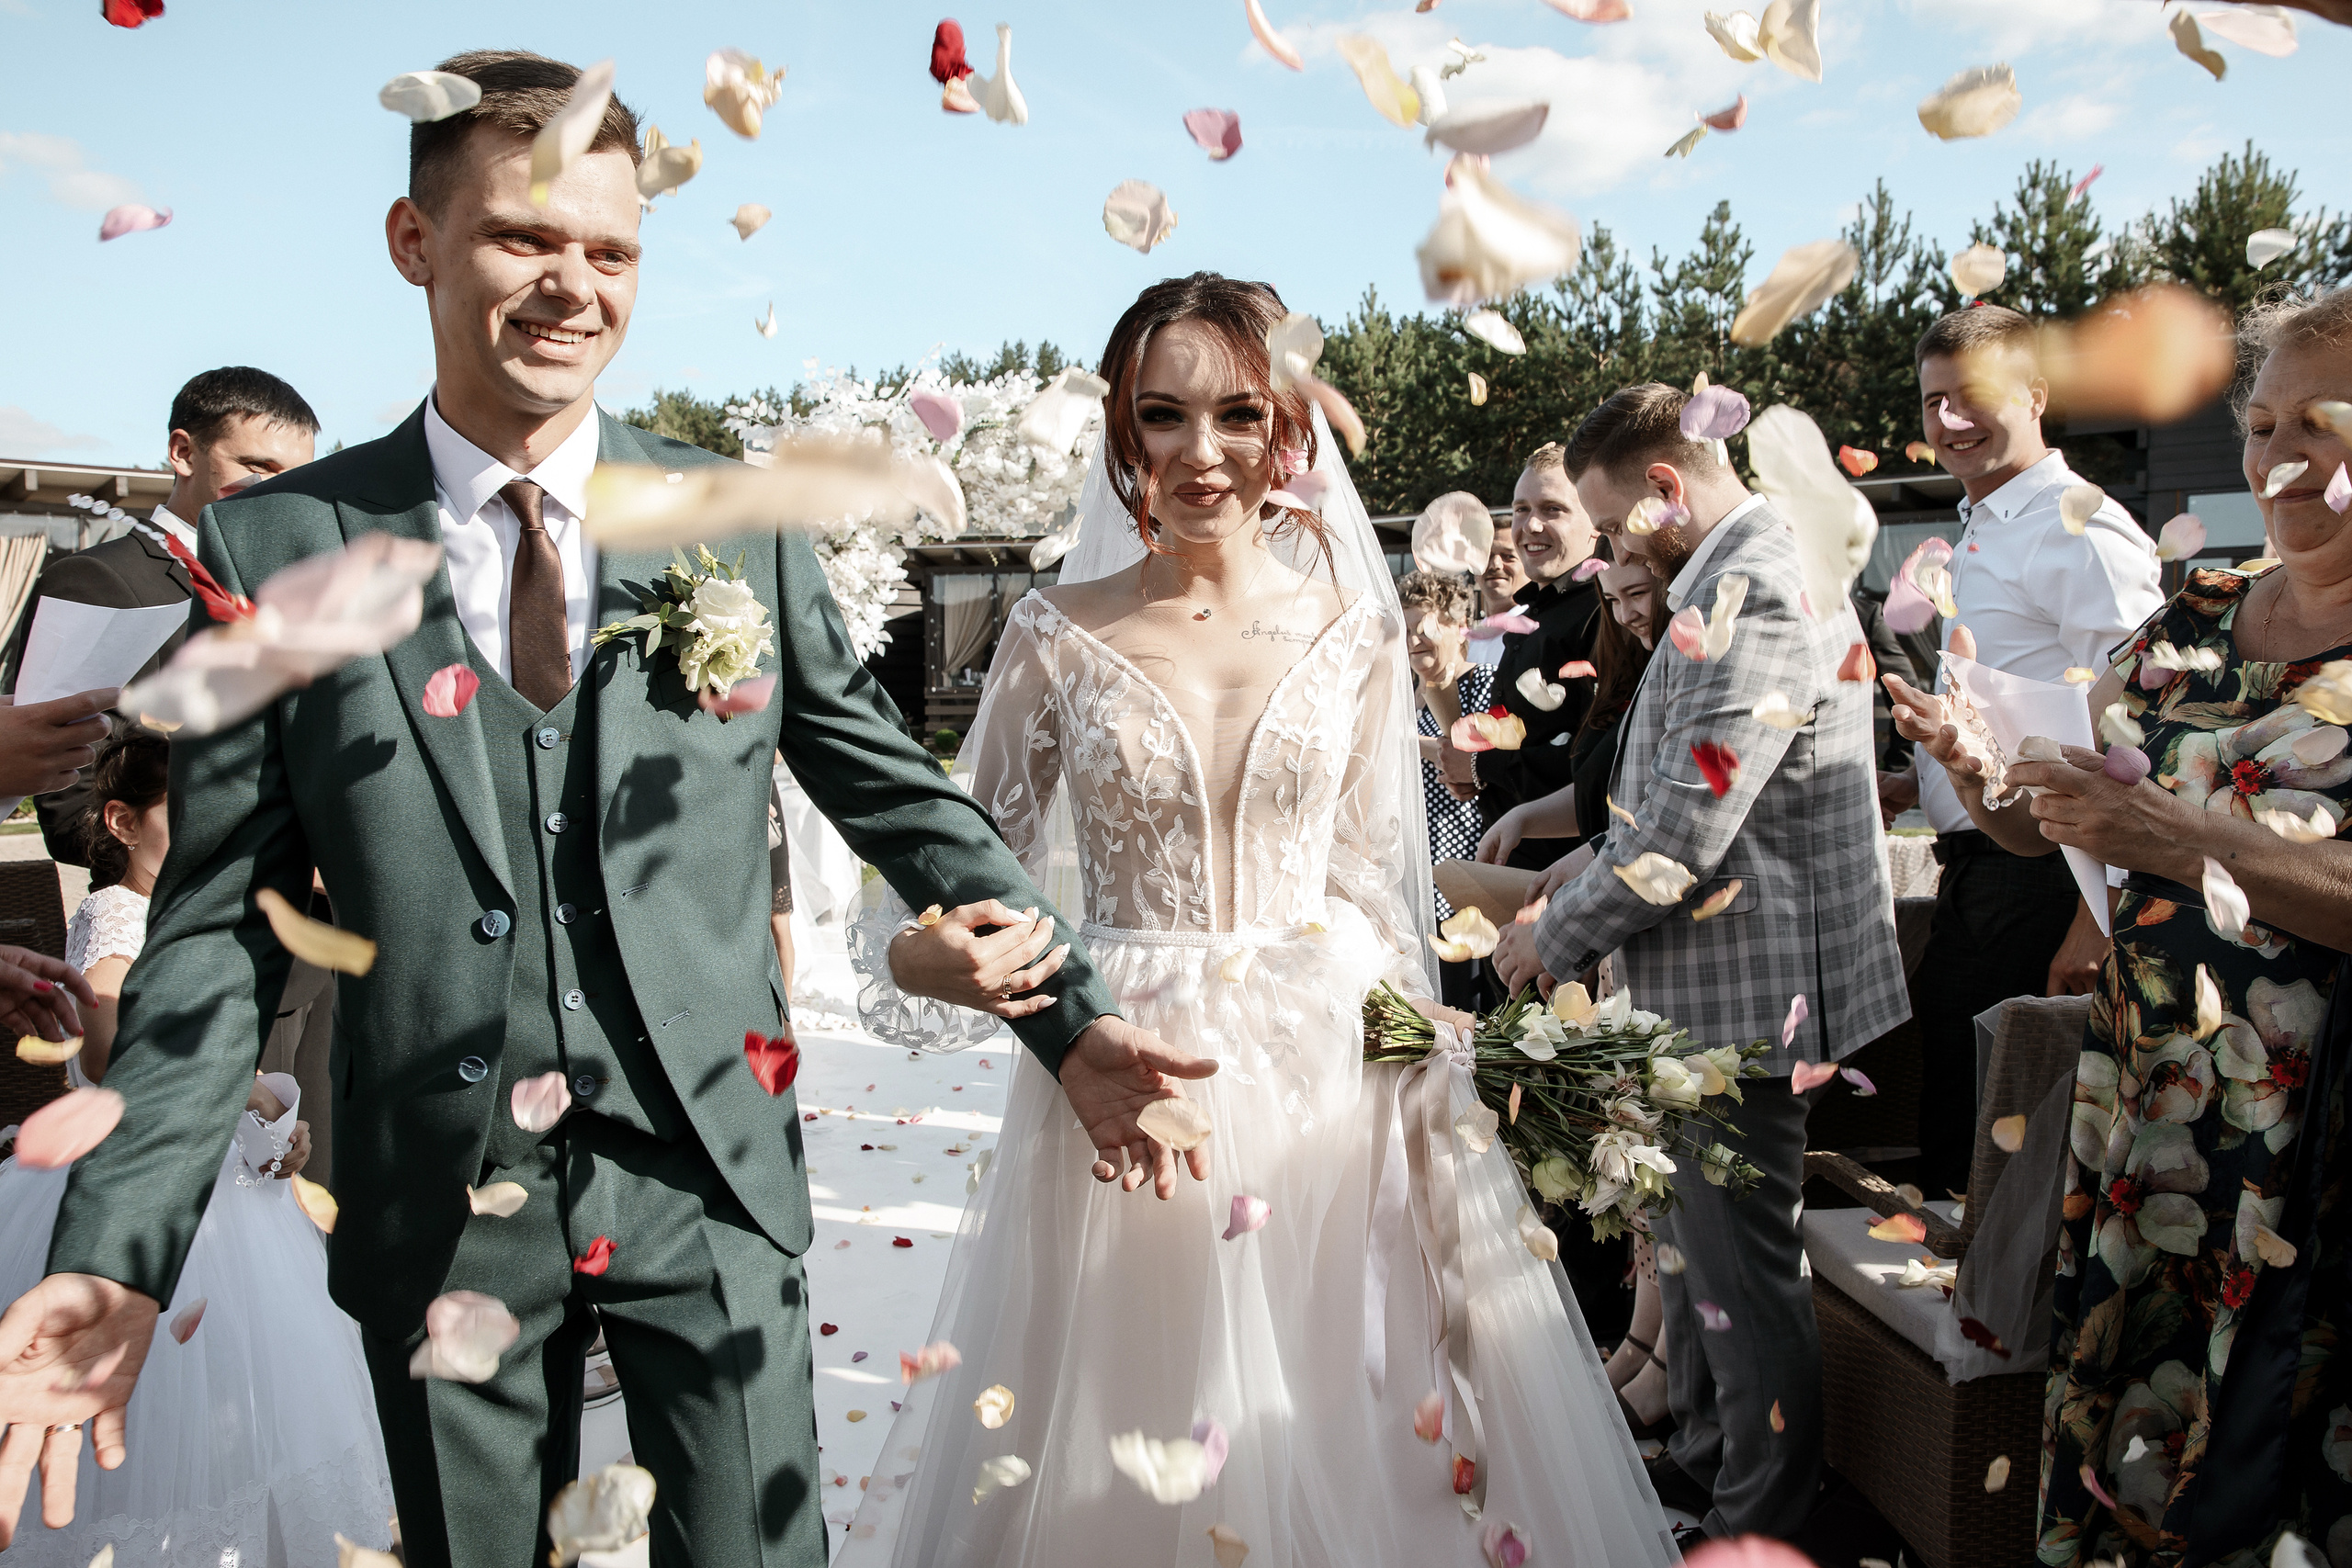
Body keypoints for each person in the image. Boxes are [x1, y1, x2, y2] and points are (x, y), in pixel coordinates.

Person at [0, 51, 1202, 1568]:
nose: (575, 285)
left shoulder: (737, 526)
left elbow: (906, 802)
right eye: (524, 237)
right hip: (438, 1197)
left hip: (707, 1175)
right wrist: (114, 1250)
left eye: (611, 250)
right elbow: (210, 945)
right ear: (413, 241)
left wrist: (1073, 1019)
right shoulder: (279, 539)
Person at [839, 273, 1678, 1567]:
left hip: (1322, 1076)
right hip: (1122, 1076)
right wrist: (928, 952)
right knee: (1131, 1418)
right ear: (1122, 431)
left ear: (1285, 424)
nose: (1203, 452)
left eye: (1239, 413)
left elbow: (1372, 882)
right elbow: (939, 881)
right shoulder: (1053, 633)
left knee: (1333, 1422)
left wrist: (1425, 1069)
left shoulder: (1354, 627)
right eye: (1163, 415)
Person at [1885, 286, 2352, 1567]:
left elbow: (2172, 835)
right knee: (2133, 1446)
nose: (2276, 459)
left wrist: (2188, 841)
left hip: (2304, 1139)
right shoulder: (2198, 607)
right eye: (2258, 424)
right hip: (2148, 1110)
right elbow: (2074, 822)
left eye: (2318, 419)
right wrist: (1990, 769)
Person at [1494, 382, 1908, 1544]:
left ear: (1667, 491)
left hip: (1749, 991)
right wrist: (1574, 874)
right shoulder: (1723, 578)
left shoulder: (1761, 588)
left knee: (1740, 1279)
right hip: (1705, 983)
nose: (1608, 550)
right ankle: (1703, 1464)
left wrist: (1549, 938)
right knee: (1692, 1268)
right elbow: (1662, 801)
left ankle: (1759, 1517)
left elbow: (1693, 829)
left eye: (1614, 523)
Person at [0, 730, 393, 1564]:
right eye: (188, 813)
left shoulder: (196, 914)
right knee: (166, 1432)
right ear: (121, 821)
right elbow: (107, 1042)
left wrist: (267, 1125)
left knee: (262, 1418)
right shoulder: (120, 911)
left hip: (231, 1200)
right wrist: (242, 1087)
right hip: (149, 1209)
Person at [1876, 305, 2165, 1197]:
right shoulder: (1980, 527)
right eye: (1932, 403)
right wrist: (1909, 776)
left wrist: (2097, 915)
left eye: (1972, 397)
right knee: (1955, 1136)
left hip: (2050, 878)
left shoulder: (2076, 525)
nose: (1949, 421)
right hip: (1981, 859)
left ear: (2035, 395)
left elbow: (2144, 717)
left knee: (1995, 1162)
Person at [2, 367, 319, 866]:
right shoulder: (97, 582)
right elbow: (72, 814)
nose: (280, 491)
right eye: (257, 466)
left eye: (296, 475)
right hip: (175, 927)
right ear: (183, 452)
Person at [1468, 444, 1605, 871]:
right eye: (1521, 509)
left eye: (1552, 509)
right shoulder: (1536, 612)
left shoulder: (1604, 614)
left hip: (1567, 881)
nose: (1531, 525)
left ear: (1594, 524)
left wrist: (1481, 763)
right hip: (1514, 874)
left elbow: (1598, 767)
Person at [1477, 558, 1662, 860]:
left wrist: (1590, 856)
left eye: (1638, 594)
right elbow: (1594, 790)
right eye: (1613, 600)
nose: (1625, 615)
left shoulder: (1659, 674)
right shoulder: (1619, 664)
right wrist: (1522, 819)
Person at [1399, 568, 1494, 1011]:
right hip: (1407, 867)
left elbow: (1479, 759)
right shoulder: (1397, 695)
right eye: (1406, 629)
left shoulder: (1487, 682)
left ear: (1461, 629)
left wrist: (1403, 742)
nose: (1414, 640)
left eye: (1425, 628)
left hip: (1464, 862)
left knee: (1467, 1001)